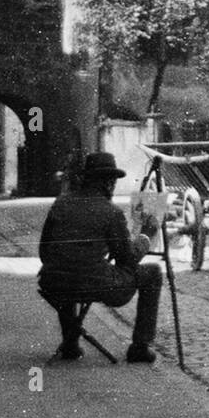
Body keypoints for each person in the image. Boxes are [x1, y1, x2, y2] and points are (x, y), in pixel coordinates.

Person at [37, 152, 162, 364]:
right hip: (94, 284)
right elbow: (129, 259)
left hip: (53, 284)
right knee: (153, 273)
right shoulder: (110, 212)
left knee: (68, 267)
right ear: (108, 184)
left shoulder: (60, 203)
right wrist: (145, 237)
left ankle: (70, 343)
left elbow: (44, 252)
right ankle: (140, 346)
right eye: (112, 182)